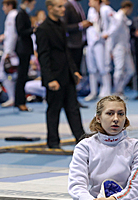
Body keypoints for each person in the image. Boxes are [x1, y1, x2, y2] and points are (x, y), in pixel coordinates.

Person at [35, 0, 85, 149]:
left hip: (66, 73)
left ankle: (81, 138)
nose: (63, 9)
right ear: (50, 8)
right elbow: (43, 56)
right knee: (54, 109)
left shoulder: (62, 25)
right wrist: (49, 79)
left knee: (73, 107)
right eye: (59, 6)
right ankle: (53, 141)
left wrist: (74, 70)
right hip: (54, 76)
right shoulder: (43, 29)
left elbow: (66, 51)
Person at [106, 0, 134, 97]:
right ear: (128, 8)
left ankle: (119, 89)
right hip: (118, 48)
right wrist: (110, 49)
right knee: (119, 69)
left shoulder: (124, 18)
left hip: (126, 47)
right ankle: (116, 91)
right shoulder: (118, 17)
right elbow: (112, 32)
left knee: (131, 71)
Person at [84, 0, 111, 101]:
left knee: (103, 67)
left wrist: (106, 33)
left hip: (100, 42)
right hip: (90, 42)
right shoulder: (91, 11)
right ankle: (93, 91)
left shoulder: (106, 9)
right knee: (91, 69)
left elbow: (113, 24)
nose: (89, 2)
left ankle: (106, 91)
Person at [14, 0, 35, 112]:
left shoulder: (24, 14)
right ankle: (20, 102)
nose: (33, 6)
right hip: (22, 49)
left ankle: (21, 101)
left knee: (23, 76)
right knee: (21, 76)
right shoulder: (20, 14)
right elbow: (21, 31)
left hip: (25, 49)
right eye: (32, 4)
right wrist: (33, 29)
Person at [0, 0, 18, 108]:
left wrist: (8, 52)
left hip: (10, 51)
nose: (3, 9)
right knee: (12, 75)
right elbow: (9, 34)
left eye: (4, 6)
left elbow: (13, 35)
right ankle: (14, 98)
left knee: (2, 74)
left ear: (10, 5)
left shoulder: (12, 15)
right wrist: (3, 36)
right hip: (12, 50)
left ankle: (13, 98)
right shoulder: (13, 15)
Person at [62, 0, 92, 73]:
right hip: (72, 44)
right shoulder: (67, 6)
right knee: (73, 70)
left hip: (80, 43)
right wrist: (80, 25)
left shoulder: (77, 5)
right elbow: (64, 27)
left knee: (77, 69)